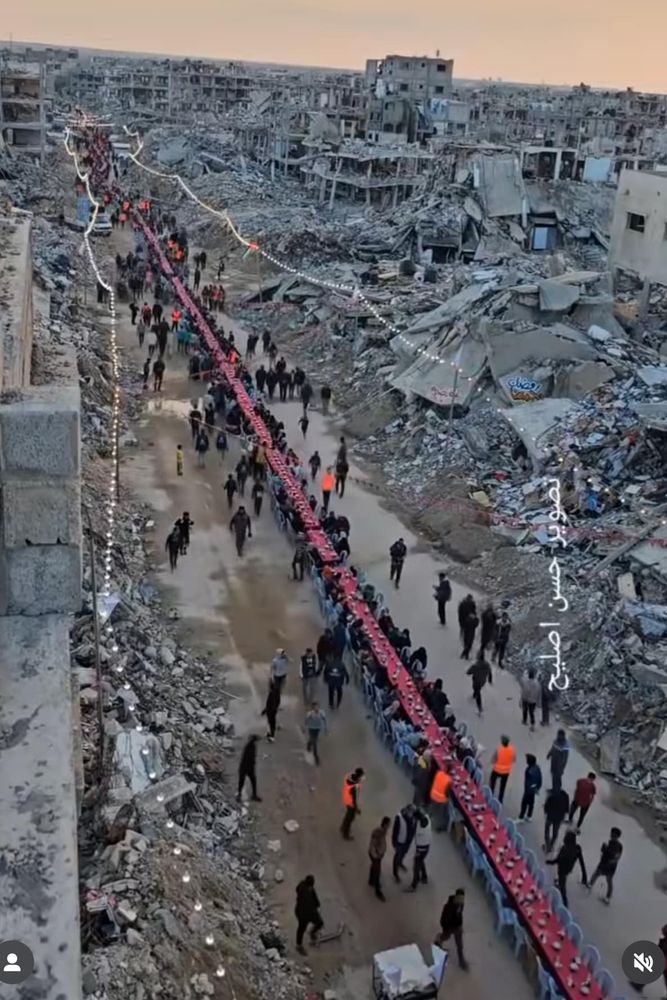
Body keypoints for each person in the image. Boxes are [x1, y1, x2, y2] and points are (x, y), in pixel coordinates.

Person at [546, 830, 588, 908]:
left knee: (563, 885)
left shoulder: (564, 849)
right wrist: (584, 875)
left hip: (562, 868)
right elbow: (582, 862)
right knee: (563, 878)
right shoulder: (577, 848)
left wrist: (549, 862)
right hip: (569, 868)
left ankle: (565, 903)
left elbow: (558, 860)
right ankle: (559, 885)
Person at [586, 827, 623, 904]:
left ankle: (590, 885)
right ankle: (608, 897)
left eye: (612, 833)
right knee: (609, 880)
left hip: (605, 863)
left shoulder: (611, 844)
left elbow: (608, 853)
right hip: (612, 866)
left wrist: (604, 849)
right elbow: (617, 857)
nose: (611, 834)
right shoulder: (619, 846)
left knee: (597, 874)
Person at [436, 889, 469, 970]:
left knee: (460, 945)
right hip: (449, 927)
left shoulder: (461, 904)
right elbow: (443, 920)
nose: (462, 901)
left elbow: (460, 914)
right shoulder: (448, 907)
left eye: (463, 899)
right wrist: (447, 929)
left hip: (457, 927)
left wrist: (460, 925)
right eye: (460, 898)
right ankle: (438, 939)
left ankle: (461, 962)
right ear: (456, 897)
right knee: (446, 937)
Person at [294, 875, 323, 955]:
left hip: (298, 910)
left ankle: (310, 934)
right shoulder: (308, 897)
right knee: (317, 923)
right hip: (303, 914)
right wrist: (317, 911)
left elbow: (312, 894)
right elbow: (312, 910)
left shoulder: (302, 885)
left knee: (301, 928)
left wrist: (317, 904)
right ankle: (299, 945)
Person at [391, 804, 417, 882]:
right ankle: (395, 874)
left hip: (407, 841)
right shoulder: (399, 818)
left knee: (404, 853)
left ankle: (400, 862)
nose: (411, 814)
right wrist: (394, 843)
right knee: (397, 857)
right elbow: (395, 831)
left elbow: (414, 828)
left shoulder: (414, 818)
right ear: (406, 810)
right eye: (410, 811)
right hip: (400, 842)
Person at [368, 816, 391, 901]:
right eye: (388, 824)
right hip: (375, 855)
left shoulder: (383, 832)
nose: (389, 826)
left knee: (374, 867)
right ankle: (378, 891)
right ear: (385, 824)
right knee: (377, 872)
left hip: (378, 855)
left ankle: (371, 881)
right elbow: (372, 845)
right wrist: (376, 855)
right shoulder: (378, 832)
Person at [489, 735, 516, 803]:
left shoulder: (498, 749)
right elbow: (514, 760)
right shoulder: (512, 749)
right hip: (506, 771)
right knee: (503, 786)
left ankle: (490, 793)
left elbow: (493, 760)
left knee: (492, 781)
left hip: (497, 770)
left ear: (502, 742)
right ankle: (500, 799)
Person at [410, 811, 432, 890]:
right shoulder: (428, 819)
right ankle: (424, 877)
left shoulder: (419, 829)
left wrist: (417, 852)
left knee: (416, 867)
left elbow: (417, 839)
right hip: (427, 846)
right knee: (421, 861)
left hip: (421, 849)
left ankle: (414, 885)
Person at [543, 786, 570, 853]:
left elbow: (546, 806)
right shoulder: (565, 796)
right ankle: (551, 845)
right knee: (555, 831)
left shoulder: (551, 796)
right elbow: (567, 808)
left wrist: (546, 811)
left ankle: (547, 845)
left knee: (547, 830)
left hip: (550, 816)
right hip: (559, 817)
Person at [341, 767, 364, 840]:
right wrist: (357, 809)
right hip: (350, 802)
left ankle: (342, 827)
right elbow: (354, 800)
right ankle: (346, 834)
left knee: (347, 815)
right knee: (350, 818)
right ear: (359, 776)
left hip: (345, 799)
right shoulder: (353, 787)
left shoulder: (350, 777)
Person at [237, 734, 261, 802]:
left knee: (249, 781)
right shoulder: (249, 747)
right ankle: (241, 795)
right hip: (245, 767)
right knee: (244, 781)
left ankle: (251, 795)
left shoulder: (251, 746)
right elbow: (248, 758)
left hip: (247, 767)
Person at [518, 753, 542, 822]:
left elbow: (528, 782)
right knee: (531, 803)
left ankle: (521, 817)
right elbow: (540, 778)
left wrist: (527, 790)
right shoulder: (537, 767)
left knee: (524, 803)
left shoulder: (528, 771)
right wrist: (537, 788)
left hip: (528, 790)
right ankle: (529, 816)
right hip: (534, 789)